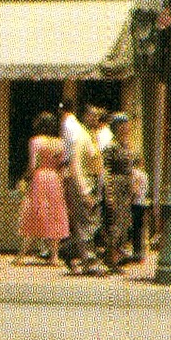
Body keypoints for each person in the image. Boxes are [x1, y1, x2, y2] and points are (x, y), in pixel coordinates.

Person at [17, 112, 69, 265]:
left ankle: (22, 255)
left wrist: (25, 178)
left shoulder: (35, 141)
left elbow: (33, 165)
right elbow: (62, 165)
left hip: (40, 178)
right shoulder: (60, 143)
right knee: (55, 213)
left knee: (35, 212)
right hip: (54, 178)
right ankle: (54, 256)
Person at [59, 105, 104, 274]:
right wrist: (84, 190)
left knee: (91, 225)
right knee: (85, 225)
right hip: (83, 184)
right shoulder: (81, 137)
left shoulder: (92, 137)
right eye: (92, 115)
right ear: (85, 116)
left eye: (97, 116)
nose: (95, 119)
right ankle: (89, 263)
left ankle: (69, 251)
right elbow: (75, 164)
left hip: (94, 184)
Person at [99, 112, 136, 273]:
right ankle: (110, 260)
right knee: (113, 225)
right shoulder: (111, 146)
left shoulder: (126, 145)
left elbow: (130, 168)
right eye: (124, 124)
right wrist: (109, 194)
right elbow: (106, 171)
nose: (127, 127)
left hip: (126, 189)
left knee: (123, 224)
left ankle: (117, 258)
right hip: (116, 186)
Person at [128, 155, 151, 263]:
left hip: (134, 203)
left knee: (135, 229)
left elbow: (134, 189)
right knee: (140, 229)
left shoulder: (134, 174)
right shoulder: (145, 175)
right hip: (142, 203)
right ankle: (140, 253)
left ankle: (136, 253)